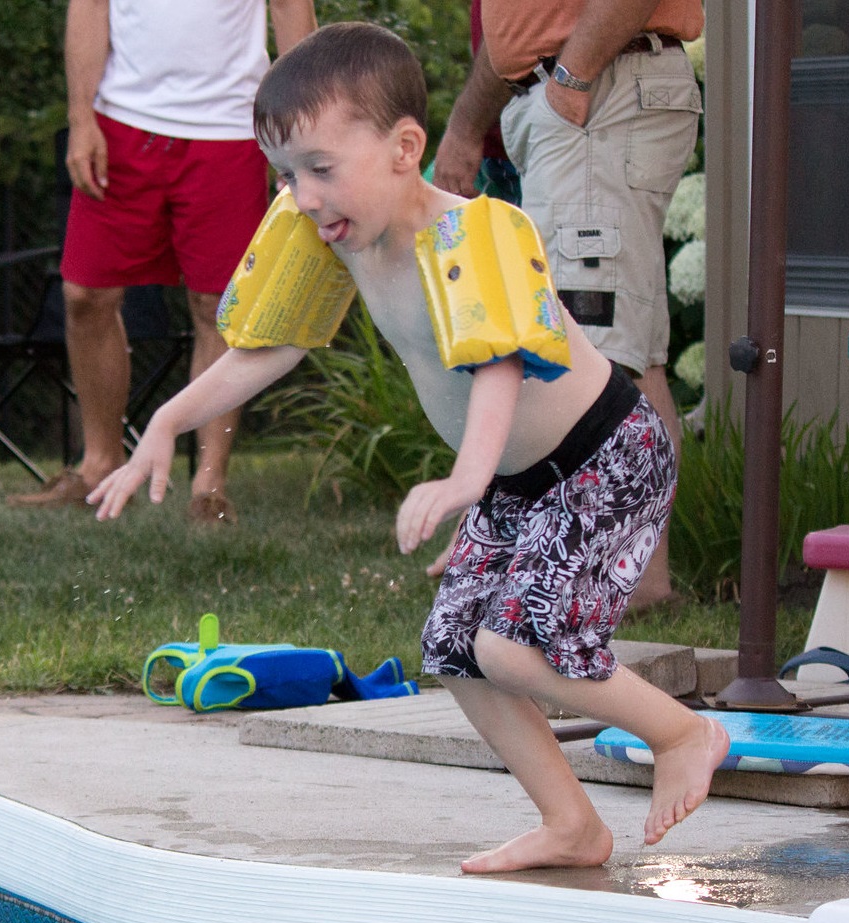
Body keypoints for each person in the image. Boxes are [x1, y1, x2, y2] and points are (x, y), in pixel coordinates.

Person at [89, 22, 730, 871]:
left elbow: (499, 363)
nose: (305, 195)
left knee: (516, 647)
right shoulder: (337, 238)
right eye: (288, 174)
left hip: (603, 451)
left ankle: (683, 734)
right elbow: (268, 346)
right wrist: (165, 424)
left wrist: (465, 481)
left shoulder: (476, 234)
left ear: (403, 149)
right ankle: (572, 824)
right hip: (512, 474)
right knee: (457, 649)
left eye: (321, 168)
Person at [428, 0, 704, 609]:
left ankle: (597, 585)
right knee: (627, 354)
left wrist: (572, 78)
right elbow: (515, 31)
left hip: (595, 92)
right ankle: (634, 581)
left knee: (595, 356)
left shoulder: (578, 80)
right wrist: (474, 123)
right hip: (582, 97)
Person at [9, 0, 317, 522]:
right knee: (84, 296)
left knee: (218, 306)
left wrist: (300, 136)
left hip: (230, 127)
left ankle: (209, 486)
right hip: (120, 125)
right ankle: (98, 464)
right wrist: (81, 118)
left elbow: (292, 12)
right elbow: (88, 10)